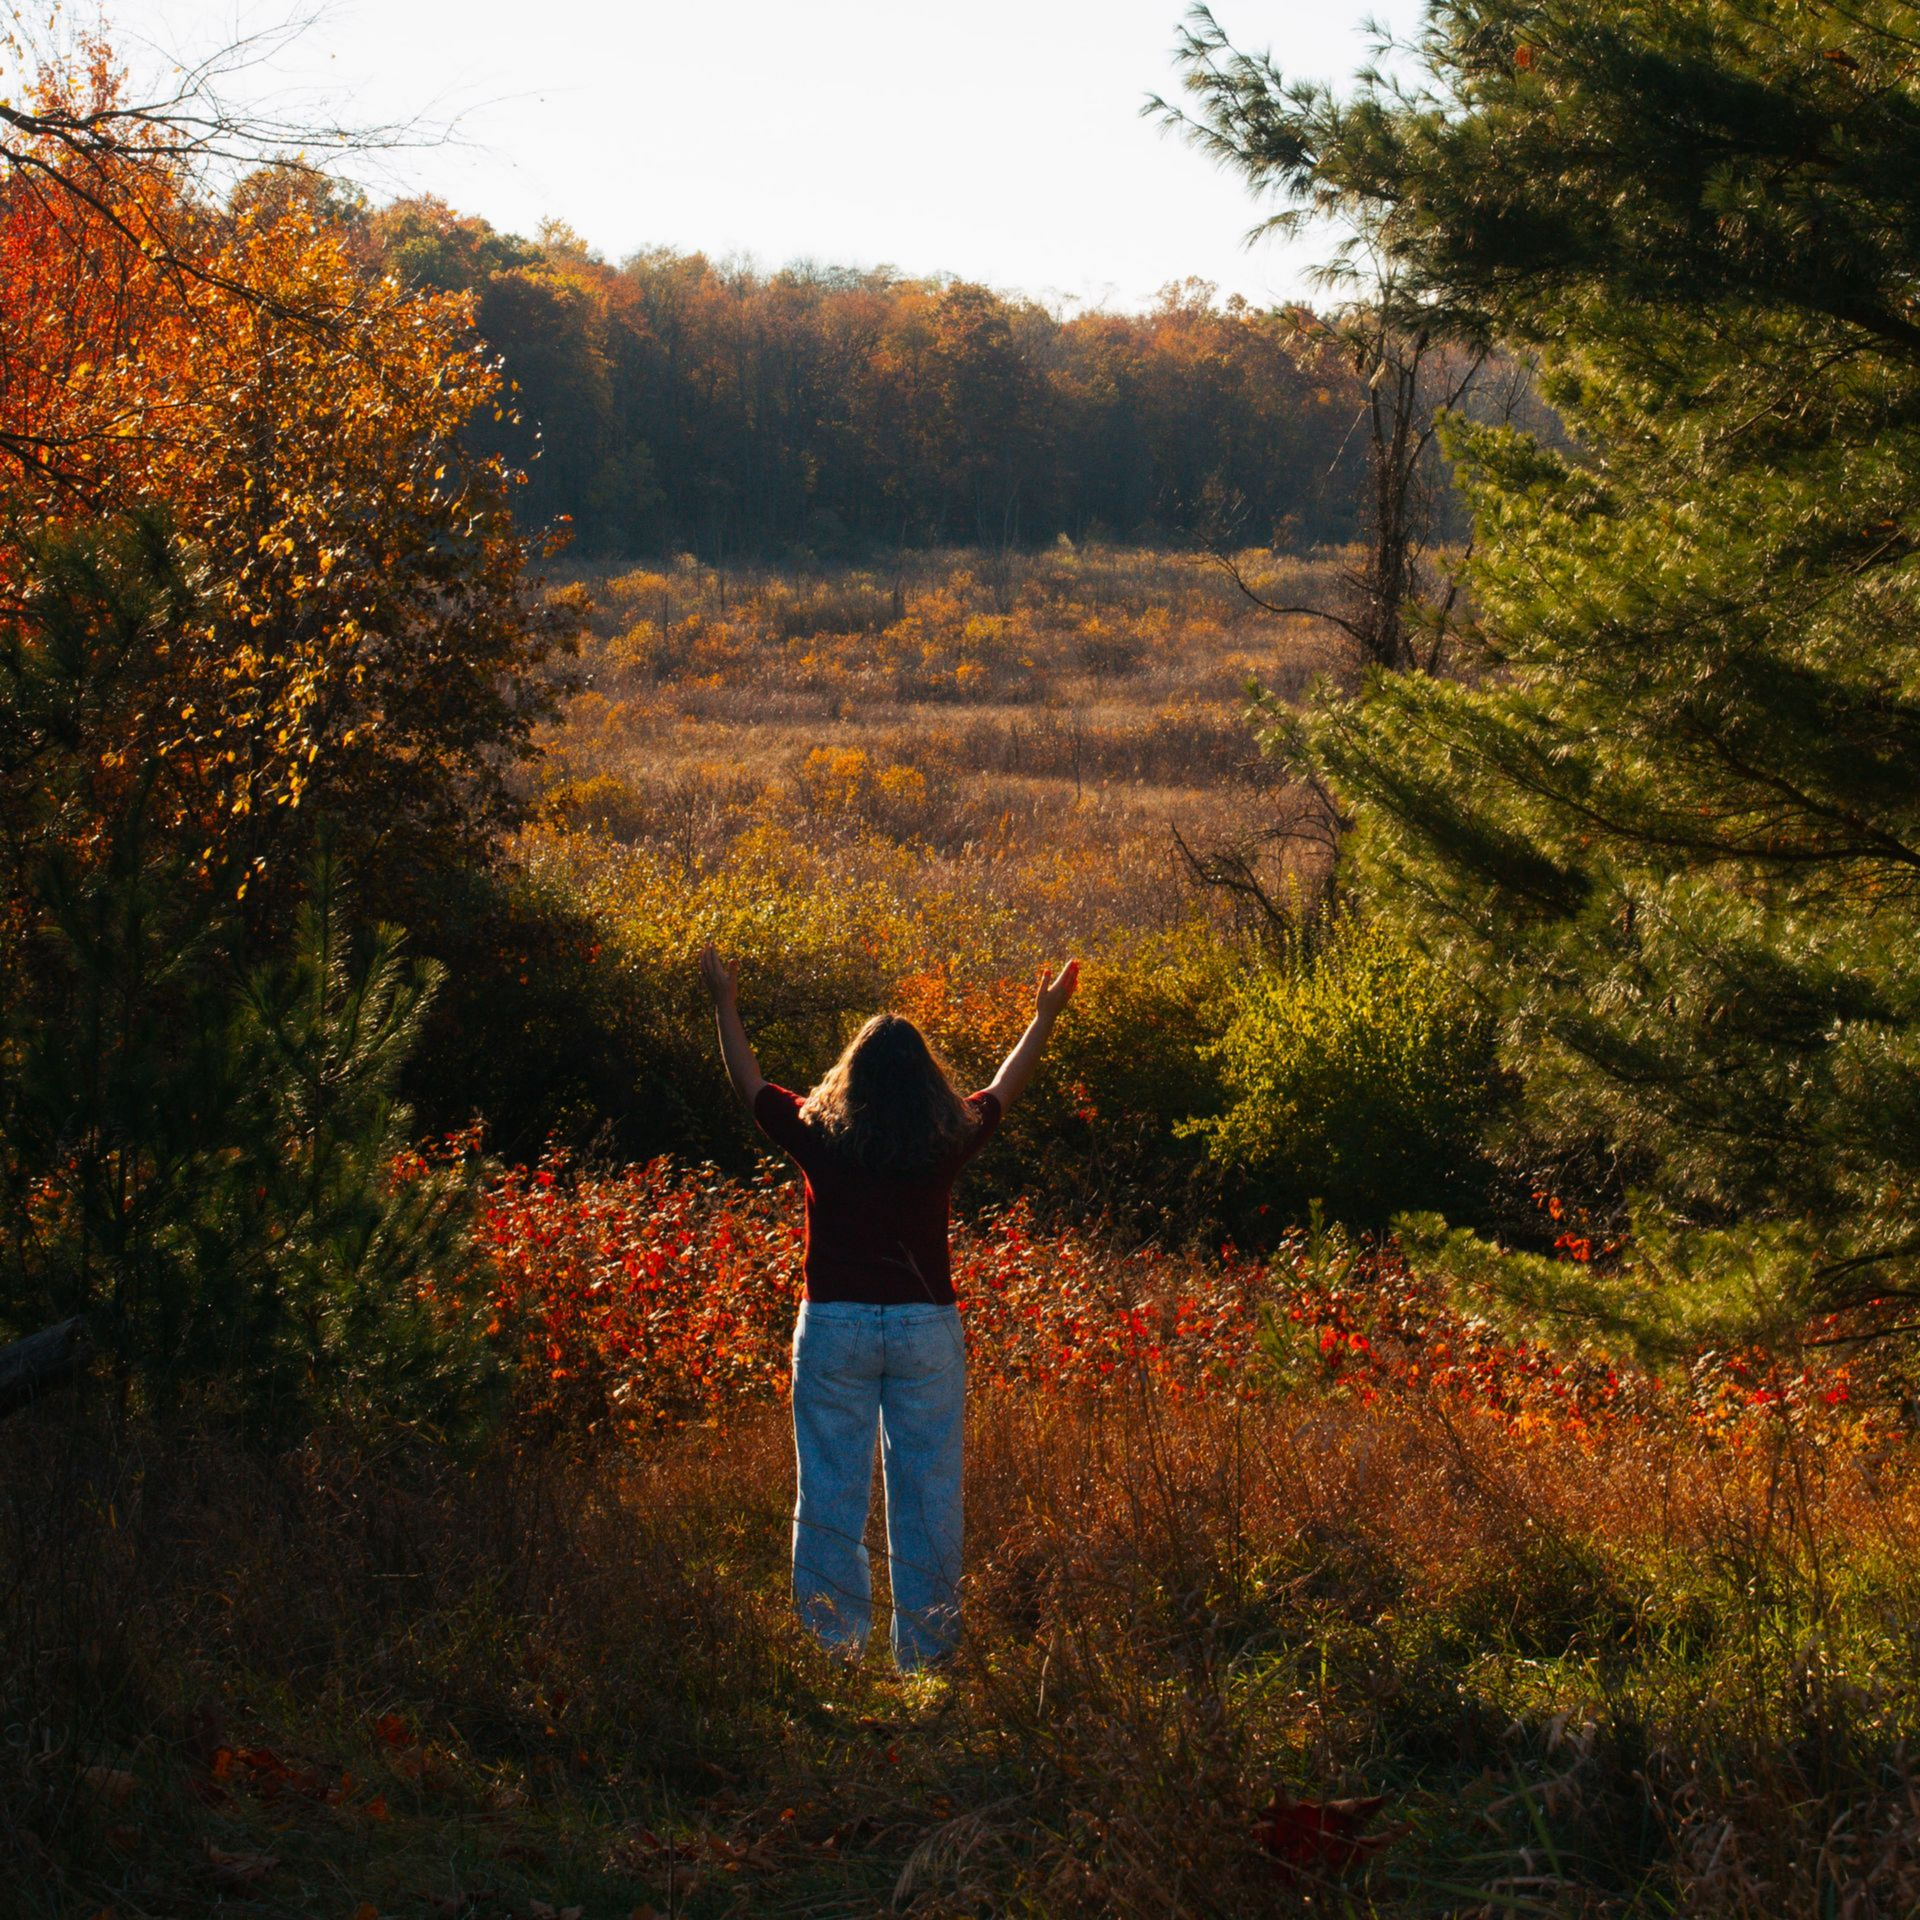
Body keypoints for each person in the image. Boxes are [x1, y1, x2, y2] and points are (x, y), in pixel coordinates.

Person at [698, 945, 1079, 1670]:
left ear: (853, 1076)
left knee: (830, 1492)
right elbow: (1004, 1086)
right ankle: (928, 1661)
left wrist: (725, 1002)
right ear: (925, 1081)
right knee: (929, 1495)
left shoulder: (818, 1135)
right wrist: (1043, 1018)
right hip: (924, 1329)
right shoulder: (947, 1138)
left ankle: (832, 1652)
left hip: (835, 1327)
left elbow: (748, 1085)